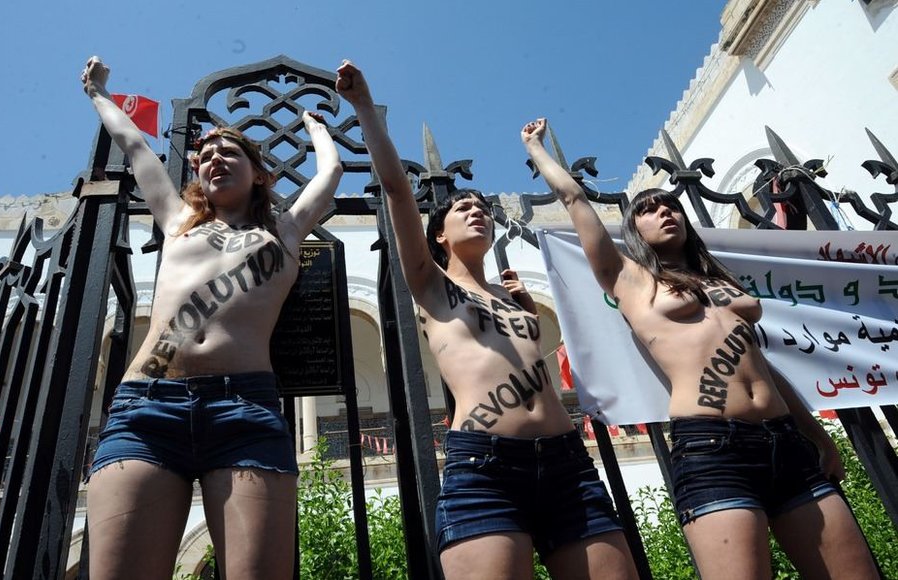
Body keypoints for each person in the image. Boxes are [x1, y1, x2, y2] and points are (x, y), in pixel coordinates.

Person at [523, 118, 880, 579]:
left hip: (787, 443)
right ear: (632, 230)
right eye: (649, 209)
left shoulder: (719, 278)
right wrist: (536, 147)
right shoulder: (631, 280)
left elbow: (762, 365)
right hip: (714, 449)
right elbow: (575, 199)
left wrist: (814, 433)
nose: (664, 212)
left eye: (671, 206)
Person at [336, 61, 638, 580]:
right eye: (462, 209)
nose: (477, 210)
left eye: (481, 206)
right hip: (484, 469)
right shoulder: (432, 285)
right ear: (439, 237)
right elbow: (397, 191)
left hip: (568, 464)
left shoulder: (511, 296)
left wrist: (520, 310)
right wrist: (366, 108)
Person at [81, 56, 342, 579]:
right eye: (204, 154)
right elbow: (134, 145)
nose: (213, 158)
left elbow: (330, 172)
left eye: (228, 151)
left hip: (243, 409)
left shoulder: (285, 233)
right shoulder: (177, 220)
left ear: (260, 173)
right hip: (146, 407)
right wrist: (98, 93)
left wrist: (317, 127)